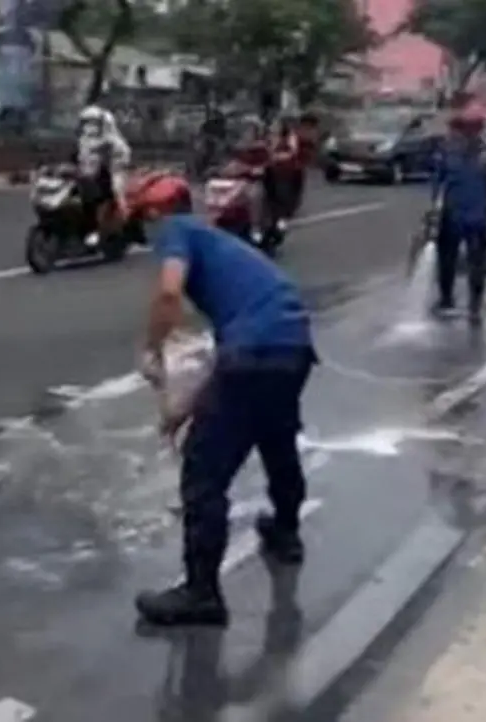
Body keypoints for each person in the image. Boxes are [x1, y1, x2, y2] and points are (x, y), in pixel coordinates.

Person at [127, 172, 318, 627]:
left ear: (155, 214)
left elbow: (169, 294)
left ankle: (201, 593)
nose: (145, 233)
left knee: (203, 471)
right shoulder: (219, 242)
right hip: (293, 345)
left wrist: (153, 347)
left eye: (142, 219)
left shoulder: (178, 231)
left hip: (253, 352)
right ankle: (286, 533)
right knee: (277, 440)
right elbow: (225, 367)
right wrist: (183, 410)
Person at [429, 104, 486, 325]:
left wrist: (434, 211)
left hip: (453, 215)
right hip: (476, 217)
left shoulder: (446, 151)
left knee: (448, 259)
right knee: (475, 263)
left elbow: (437, 184)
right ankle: (473, 308)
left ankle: (448, 300)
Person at [76, 103, 132, 247]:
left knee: (115, 189)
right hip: (87, 176)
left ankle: (119, 218)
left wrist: (108, 165)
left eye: (93, 122)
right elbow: (78, 158)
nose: (89, 126)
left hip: (110, 172)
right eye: (86, 122)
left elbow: (119, 158)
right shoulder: (83, 140)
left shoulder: (112, 141)